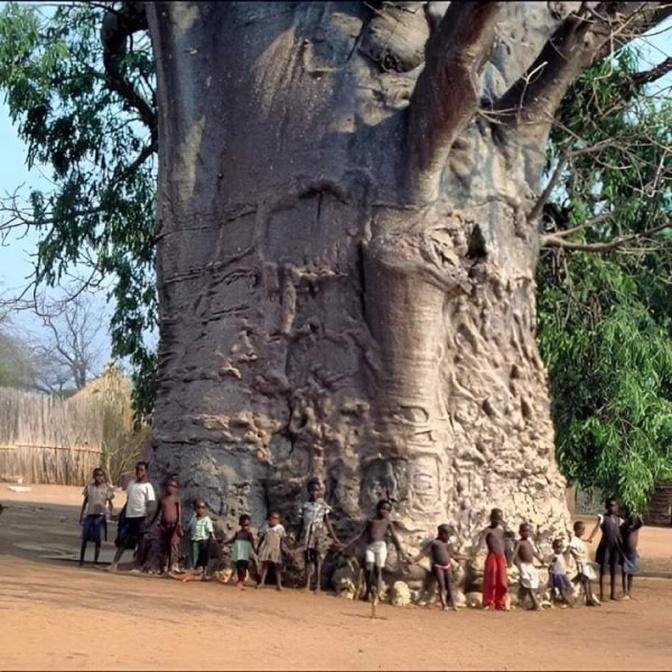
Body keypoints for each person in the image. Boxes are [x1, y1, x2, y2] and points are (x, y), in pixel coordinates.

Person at [343, 499, 406, 603]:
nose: (384, 511)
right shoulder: (371, 521)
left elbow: (394, 536)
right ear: (377, 509)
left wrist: (400, 549)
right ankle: (368, 591)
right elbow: (362, 535)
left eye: (387, 510)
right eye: (382, 508)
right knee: (369, 568)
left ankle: (376, 593)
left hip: (380, 546)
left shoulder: (387, 523)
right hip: (370, 547)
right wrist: (350, 545)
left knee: (378, 569)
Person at [109, 461, 156, 572]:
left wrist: (147, 518)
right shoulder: (131, 484)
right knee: (123, 540)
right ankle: (114, 563)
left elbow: (151, 504)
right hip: (129, 516)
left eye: (141, 470)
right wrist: (121, 514)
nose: (138, 472)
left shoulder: (148, 487)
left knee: (140, 542)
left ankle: (137, 566)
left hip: (141, 517)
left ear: (146, 471)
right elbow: (128, 500)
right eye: (137, 469)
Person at [297, 478, 342, 592]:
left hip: (319, 534)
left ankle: (317, 585)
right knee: (308, 559)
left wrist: (334, 537)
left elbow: (327, 522)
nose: (314, 493)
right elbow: (301, 522)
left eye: (317, 490)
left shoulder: (322, 505)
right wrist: (298, 536)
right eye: (312, 490)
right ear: (308, 491)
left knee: (318, 559)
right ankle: (307, 584)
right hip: (307, 534)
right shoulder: (305, 506)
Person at [412, 524, 466, 611]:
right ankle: (444, 605)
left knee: (450, 586)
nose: (449, 537)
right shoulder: (434, 543)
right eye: (448, 534)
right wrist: (414, 559)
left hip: (447, 566)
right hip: (438, 567)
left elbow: (452, 555)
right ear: (442, 533)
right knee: (442, 586)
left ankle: (453, 604)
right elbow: (423, 553)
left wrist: (465, 557)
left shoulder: (447, 544)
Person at [587, 497, 624, 601]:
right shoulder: (603, 517)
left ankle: (613, 594)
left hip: (616, 546)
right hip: (605, 546)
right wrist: (590, 537)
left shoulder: (619, 520)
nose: (613, 508)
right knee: (604, 569)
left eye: (615, 505)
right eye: (611, 505)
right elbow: (596, 528)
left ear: (617, 507)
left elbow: (622, 533)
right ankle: (603, 594)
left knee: (614, 569)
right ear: (607, 507)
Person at [79, 467, 115, 566]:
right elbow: (85, 501)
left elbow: (111, 503)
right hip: (90, 514)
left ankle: (95, 561)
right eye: (97, 475)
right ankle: (81, 560)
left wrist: (109, 513)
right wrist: (81, 515)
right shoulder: (89, 487)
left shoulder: (107, 489)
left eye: (101, 475)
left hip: (100, 516)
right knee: (85, 538)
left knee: (97, 539)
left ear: (104, 477)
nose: (99, 477)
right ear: (94, 476)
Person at [147, 477, 183, 574]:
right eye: (169, 486)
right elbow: (157, 512)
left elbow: (179, 513)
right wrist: (151, 522)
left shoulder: (176, 499)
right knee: (163, 545)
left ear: (176, 489)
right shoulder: (162, 499)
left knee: (173, 544)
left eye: (173, 486)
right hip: (164, 526)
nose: (171, 488)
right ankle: (162, 566)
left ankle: (172, 566)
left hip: (174, 526)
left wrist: (179, 524)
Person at [478, 508, 508, 610]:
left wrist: (506, 557)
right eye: (496, 519)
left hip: (501, 557)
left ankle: (500, 602)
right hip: (492, 557)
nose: (498, 521)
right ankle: (488, 602)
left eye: (500, 519)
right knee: (491, 580)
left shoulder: (501, 531)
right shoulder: (487, 530)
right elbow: (481, 542)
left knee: (502, 581)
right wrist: (475, 552)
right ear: (491, 518)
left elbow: (504, 544)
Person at [513, 522, 545, 611]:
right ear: (520, 532)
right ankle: (536, 604)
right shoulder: (519, 542)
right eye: (524, 531)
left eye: (528, 531)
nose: (526, 533)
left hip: (530, 566)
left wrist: (540, 558)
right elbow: (514, 554)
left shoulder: (529, 542)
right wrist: (513, 563)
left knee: (534, 584)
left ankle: (534, 603)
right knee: (529, 585)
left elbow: (533, 552)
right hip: (523, 565)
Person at [568, 520, 600, 606]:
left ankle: (590, 597)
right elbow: (571, 549)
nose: (583, 531)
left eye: (583, 529)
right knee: (585, 580)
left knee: (588, 580)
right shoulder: (574, 541)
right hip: (581, 563)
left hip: (585, 562)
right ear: (576, 530)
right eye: (581, 529)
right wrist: (579, 558)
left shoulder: (579, 540)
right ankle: (588, 599)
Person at [224, 514, 256, 589]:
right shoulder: (238, 533)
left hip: (245, 553)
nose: (246, 527)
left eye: (247, 525)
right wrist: (225, 542)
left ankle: (241, 580)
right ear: (240, 524)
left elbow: (252, 542)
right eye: (244, 525)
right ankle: (239, 580)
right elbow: (232, 540)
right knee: (238, 567)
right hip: (238, 553)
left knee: (243, 567)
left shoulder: (249, 534)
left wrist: (255, 550)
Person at [256, 511, 286, 590]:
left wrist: (281, 550)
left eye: (276, 518)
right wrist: (258, 547)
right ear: (269, 518)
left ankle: (279, 584)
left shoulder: (280, 528)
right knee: (265, 566)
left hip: (276, 549)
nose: (273, 520)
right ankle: (262, 582)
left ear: (279, 520)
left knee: (277, 567)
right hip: (266, 548)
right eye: (272, 518)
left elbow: (282, 540)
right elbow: (261, 538)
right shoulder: (266, 527)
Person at [186, 498, 214, 579]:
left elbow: (210, 530)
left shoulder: (206, 519)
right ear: (194, 508)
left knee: (204, 557)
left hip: (203, 541)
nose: (200, 510)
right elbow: (189, 528)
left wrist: (213, 539)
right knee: (194, 556)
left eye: (202, 507)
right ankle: (196, 570)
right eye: (198, 507)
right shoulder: (193, 518)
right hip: (194, 540)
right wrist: (186, 533)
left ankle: (203, 572)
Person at [620, 513, 643, 600]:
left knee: (631, 574)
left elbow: (641, 523)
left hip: (633, 553)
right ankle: (624, 592)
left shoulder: (635, 527)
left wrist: (637, 515)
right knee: (625, 573)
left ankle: (629, 592)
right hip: (625, 552)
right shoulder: (624, 527)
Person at [548, 538, 574, 607]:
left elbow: (567, 552)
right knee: (561, 589)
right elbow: (551, 567)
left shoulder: (561, 555)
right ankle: (566, 601)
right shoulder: (555, 557)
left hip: (562, 574)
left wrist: (570, 545)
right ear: (553, 548)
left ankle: (560, 600)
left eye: (561, 547)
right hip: (557, 575)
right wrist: (551, 577)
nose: (559, 549)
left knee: (565, 588)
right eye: (557, 547)